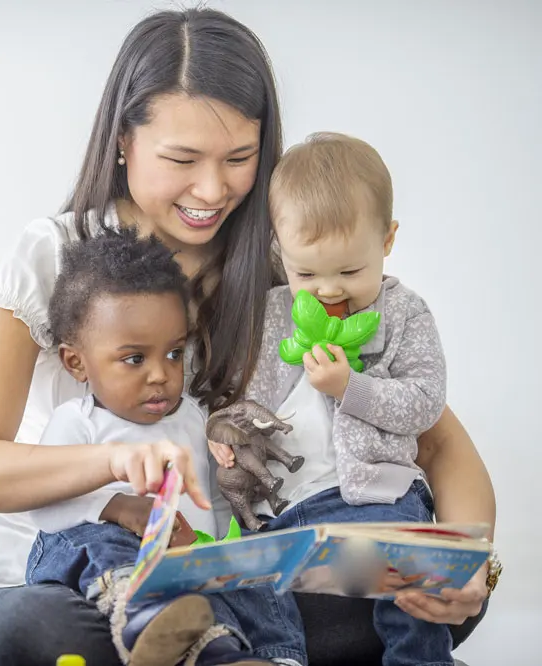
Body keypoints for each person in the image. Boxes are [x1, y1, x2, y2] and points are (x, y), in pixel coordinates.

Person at [0, 7, 497, 666]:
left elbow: (432, 433)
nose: (213, 188)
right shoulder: (56, 255)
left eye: (239, 158)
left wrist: (474, 565)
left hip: (218, 580)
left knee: (411, 606)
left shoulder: (286, 277)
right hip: (39, 575)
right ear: (124, 140)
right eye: (183, 158)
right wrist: (115, 468)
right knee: (46, 632)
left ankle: (213, 645)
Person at [222, 130, 465, 664]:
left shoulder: (405, 315)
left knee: (407, 567)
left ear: (387, 240)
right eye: (306, 272)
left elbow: (423, 403)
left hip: (376, 494)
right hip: (289, 511)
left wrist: (349, 388)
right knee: (250, 580)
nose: (329, 290)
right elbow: (247, 402)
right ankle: (278, 656)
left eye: (350, 271)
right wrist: (228, 437)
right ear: (279, 252)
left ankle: (419, 659)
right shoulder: (273, 315)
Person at [21, 227, 244, 665]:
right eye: (135, 359)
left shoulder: (193, 418)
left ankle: (231, 649)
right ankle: (141, 613)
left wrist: (210, 548)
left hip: (181, 567)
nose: (160, 374)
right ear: (76, 362)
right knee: (95, 538)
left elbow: (214, 499)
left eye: (175, 354)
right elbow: (42, 509)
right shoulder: (78, 423)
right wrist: (118, 509)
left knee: (249, 581)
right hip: (97, 577)